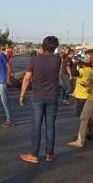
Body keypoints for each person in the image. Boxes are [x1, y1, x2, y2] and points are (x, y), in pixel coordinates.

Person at [19, 36, 61, 164]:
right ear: (55, 47)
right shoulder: (58, 59)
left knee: (36, 125)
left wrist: (22, 94)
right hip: (53, 96)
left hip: (37, 96)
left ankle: (34, 155)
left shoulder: (34, 59)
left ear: (43, 46)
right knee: (50, 125)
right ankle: (49, 154)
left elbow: (27, 78)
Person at [72, 58, 93, 141]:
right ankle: (90, 133)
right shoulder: (91, 69)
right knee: (88, 116)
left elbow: (74, 73)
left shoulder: (82, 70)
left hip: (81, 96)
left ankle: (82, 135)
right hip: (88, 95)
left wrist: (74, 64)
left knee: (83, 117)